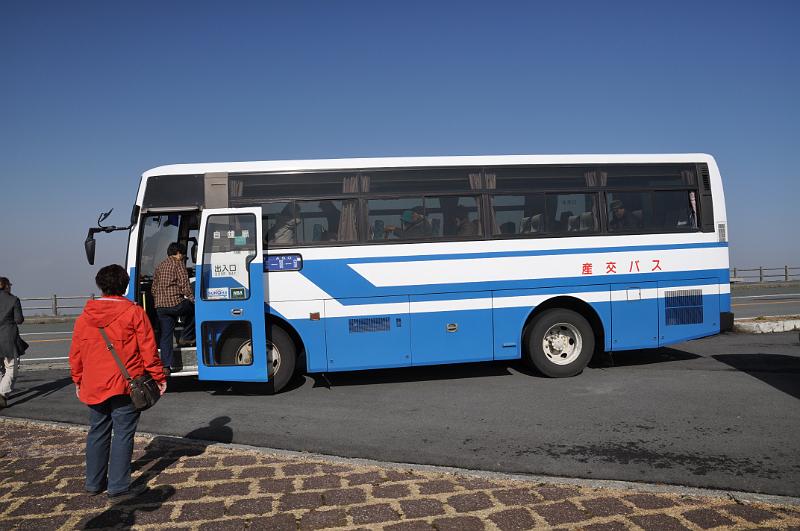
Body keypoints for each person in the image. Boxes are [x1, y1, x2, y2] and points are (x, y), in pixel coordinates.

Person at [69, 264, 166, 498]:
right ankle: (118, 485)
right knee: (123, 433)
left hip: (94, 383)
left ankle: (93, 483)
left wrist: (78, 380)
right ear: (125, 286)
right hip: (127, 383)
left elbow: (76, 353)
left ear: (100, 286)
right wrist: (158, 377)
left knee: (97, 432)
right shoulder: (134, 313)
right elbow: (148, 350)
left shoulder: (85, 317)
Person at [152, 242, 195, 372]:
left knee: (166, 335)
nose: (183, 257)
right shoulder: (178, 264)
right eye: (182, 254)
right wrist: (193, 300)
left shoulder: (160, 266)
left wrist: (159, 300)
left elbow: (153, 288)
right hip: (176, 304)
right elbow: (185, 285)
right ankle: (186, 336)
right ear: (178, 253)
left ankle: (166, 366)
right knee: (194, 309)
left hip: (160, 307)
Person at [0, 277, 24, 409]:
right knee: (11, 368)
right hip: (8, 337)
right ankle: (2, 394)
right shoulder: (13, 300)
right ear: (6, 286)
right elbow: (19, 319)